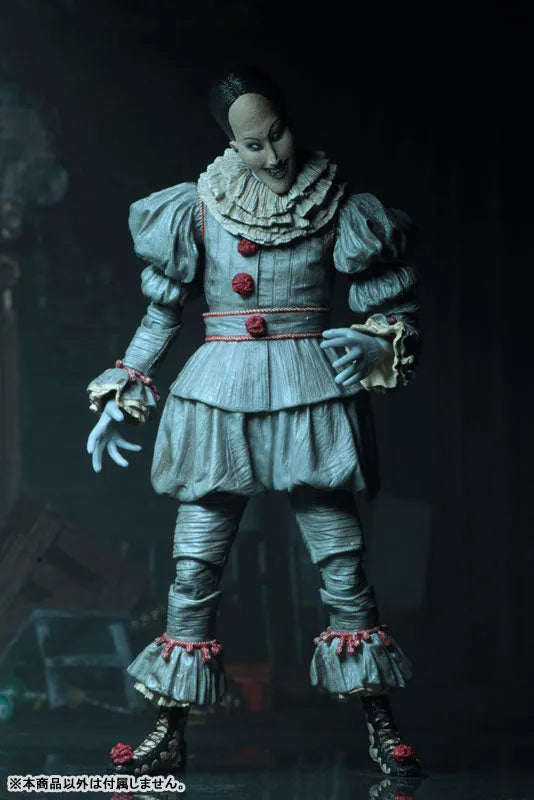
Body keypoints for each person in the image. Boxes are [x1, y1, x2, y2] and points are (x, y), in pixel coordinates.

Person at [86, 66, 422, 778]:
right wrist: (123, 387)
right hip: (221, 392)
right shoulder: (198, 205)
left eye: (277, 135)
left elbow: (388, 303)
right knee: (194, 565)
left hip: (308, 391)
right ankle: (168, 729)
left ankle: (382, 726)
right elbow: (162, 313)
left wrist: (375, 343)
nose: (272, 156)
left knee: (341, 563)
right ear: (230, 145)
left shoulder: (337, 204)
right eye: (252, 145)